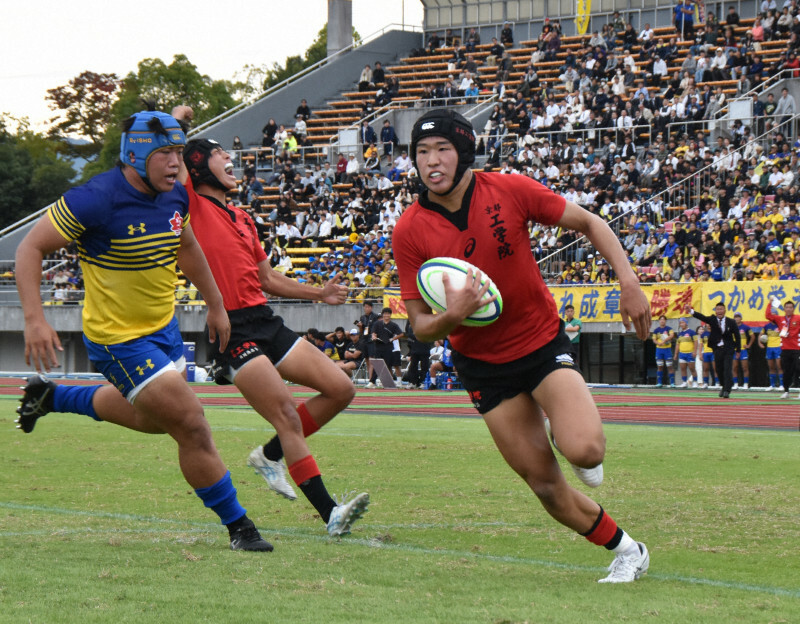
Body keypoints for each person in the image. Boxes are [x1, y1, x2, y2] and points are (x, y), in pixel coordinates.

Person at [393, 108, 651, 583]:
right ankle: (628, 549)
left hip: (539, 345)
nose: (431, 160)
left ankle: (564, 430)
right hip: (482, 366)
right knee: (545, 485)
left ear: (464, 152)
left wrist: (628, 280)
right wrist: (453, 314)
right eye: (422, 152)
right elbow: (420, 327)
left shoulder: (509, 189)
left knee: (586, 451)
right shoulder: (409, 229)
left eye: (443, 149)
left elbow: (590, 223)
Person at [13, 109, 272, 552]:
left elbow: (186, 245)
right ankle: (240, 527)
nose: (178, 164)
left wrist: (216, 305)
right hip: (117, 340)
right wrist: (35, 319)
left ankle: (52, 396)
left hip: (164, 331)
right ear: (135, 156)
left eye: (180, 153)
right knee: (191, 423)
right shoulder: (95, 199)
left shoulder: (175, 196)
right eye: (166, 154)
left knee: (155, 421)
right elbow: (29, 247)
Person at [689, 302, 741, 398]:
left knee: (727, 369)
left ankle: (727, 390)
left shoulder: (731, 322)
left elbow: (737, 336)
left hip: (728, 349)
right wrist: (691, 311)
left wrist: (738, 350)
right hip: (717, 349)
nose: (720, 311)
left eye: (721, 309)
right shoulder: (712, 319)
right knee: (718, 369)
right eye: (718, 309)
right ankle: (723, 386)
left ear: (725, 310)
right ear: (715, 311)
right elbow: (702, 317)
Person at [764, 297, 800, 398]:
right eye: (787, 307)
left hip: (796, 349)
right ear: (784, 309)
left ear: (793, 309)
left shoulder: (798, 318)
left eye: (790, 307)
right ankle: (786, 391)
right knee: (786, 371)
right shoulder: (780, 319)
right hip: (785, 349)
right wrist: (770, 303)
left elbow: (795, 331)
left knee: (798, 368)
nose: (788, 309)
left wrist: (791, 333)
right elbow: (768, 315)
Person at [366, 306, 404, 388]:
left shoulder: (394, 325)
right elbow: (373, 332)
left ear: (390, 315)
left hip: (388, 347)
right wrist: (374, 337)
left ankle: (388, 382)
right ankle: (372, 381)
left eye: (388, 314)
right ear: (383, 314)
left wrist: (392, 339)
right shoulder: (377, 323)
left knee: (387, 365)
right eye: (385, 314)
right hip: (378, 346)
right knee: (377, 364)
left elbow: (401, 334)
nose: (386, 315)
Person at [402, 319, 432, 388]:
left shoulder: (426, 319)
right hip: (414, 349)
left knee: (424, 366)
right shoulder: (410, 319)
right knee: (413, 366)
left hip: (425, 348)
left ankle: (423, 381)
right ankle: (413, 382)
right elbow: (409, 335)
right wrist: (410, 352)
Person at [757, 319, 783, 389]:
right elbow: (760, 334)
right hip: (769, 348)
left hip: (778, 347)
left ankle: (782, 385)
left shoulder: (780, 325)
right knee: (771, 367)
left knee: (779, 366)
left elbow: (785, 335)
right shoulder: (767, 326)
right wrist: (760, 343)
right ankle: (772, 385)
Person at [651, 315, 676, 388]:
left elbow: (672, 335)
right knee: (660, 366)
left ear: (665, 321)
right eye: (661, 319)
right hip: (659, 350)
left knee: (669, 366)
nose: (662, 321)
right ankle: (659, 382)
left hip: (667, 350)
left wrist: (665, 340)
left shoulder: (669, 329)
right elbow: (654, 339)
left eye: (663, 319)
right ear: (659, 321)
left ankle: (672, 383)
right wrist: (658, 343)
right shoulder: (656, 330)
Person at [732, 312, 754, 390]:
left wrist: (748, 345)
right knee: (734, 367)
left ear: (741, 318)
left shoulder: (746, 327)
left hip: (743, 350)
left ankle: (745, 383)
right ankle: (735, 384)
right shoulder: (732, 327)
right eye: (735, 317)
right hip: (735, 350)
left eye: (738, 317)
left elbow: (753, 336)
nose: (737, 318)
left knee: (745, 367)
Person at [673, 317, 698, 387]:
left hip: (690, 353)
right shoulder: (679, 334)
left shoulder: (692, 332)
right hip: (682, 354)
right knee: (683, 368)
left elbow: (696, 342)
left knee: (692, 368)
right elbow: (677, 345)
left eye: (683, 322)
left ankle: (695, 382)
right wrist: (675, 354)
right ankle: (684, 382)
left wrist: (695, 352)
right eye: (680, 323)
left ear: (686, 323)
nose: (681, 324)